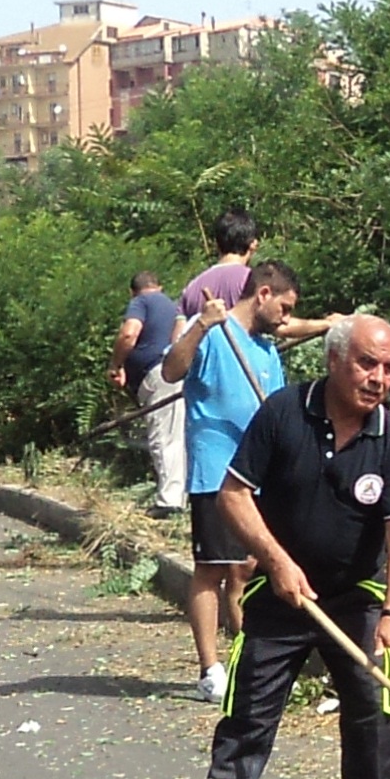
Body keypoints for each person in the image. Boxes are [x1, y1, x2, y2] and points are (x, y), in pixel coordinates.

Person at [151, 312, 390, 779]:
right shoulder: (282, 413)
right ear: (334, 359)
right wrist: (275, 561)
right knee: (250, 706)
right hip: (280, 591)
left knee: (374, 712)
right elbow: (233, 495)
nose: (378, 378)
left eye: (389, 368)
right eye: (367, 364)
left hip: (358, 597)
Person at [163, 260, 311, 704]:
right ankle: (210, 670)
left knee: (249, 567)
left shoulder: (265, 350)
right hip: (216, 472)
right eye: (284, 307)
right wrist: (201, 326)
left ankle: (253, 663)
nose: (285, 319)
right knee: (212, 568)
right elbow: (170, 371)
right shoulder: (211, 331)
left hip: (259, 477)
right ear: (263, 294)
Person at [113, 270, 186, 512]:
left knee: (163, 437)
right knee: (173, 434)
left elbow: (129, 334)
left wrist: (116, 364)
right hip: (172, 373)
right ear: (160, 286)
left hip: (158, 375)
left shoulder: (140, 302)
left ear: (132, 291)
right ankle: (177, 496)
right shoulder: (173, 306)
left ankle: (169, 502)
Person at [178, 208, 261, 322]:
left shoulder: (192, 287)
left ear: (216, 244)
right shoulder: (253, 281)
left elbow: (180, 332)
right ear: (253, 244)